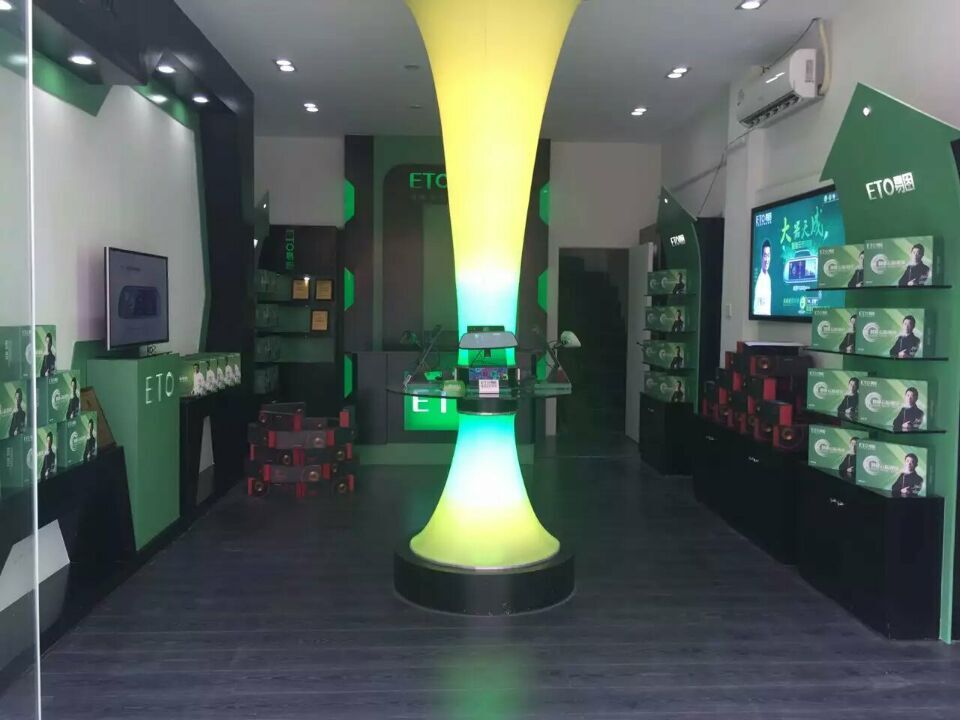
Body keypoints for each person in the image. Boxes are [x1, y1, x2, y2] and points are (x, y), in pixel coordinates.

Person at [753, 240, 772, 316]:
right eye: (765, 255)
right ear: (761, 257)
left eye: (768, 256)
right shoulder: (758, 279)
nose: (767, 260)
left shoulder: (769, 278)